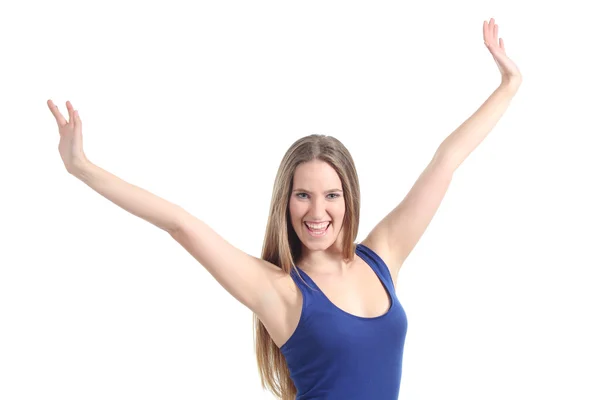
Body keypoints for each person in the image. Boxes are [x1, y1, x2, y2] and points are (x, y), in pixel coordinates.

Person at [47, 17, 521, 400]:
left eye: (331, 195)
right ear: (286, 203)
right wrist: (83, 168)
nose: (318, 211)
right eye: (303, 195)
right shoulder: (280, 291)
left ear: (348, 199)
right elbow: (180, 224)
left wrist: (509, 84)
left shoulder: (382, 257)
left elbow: (446, 161)